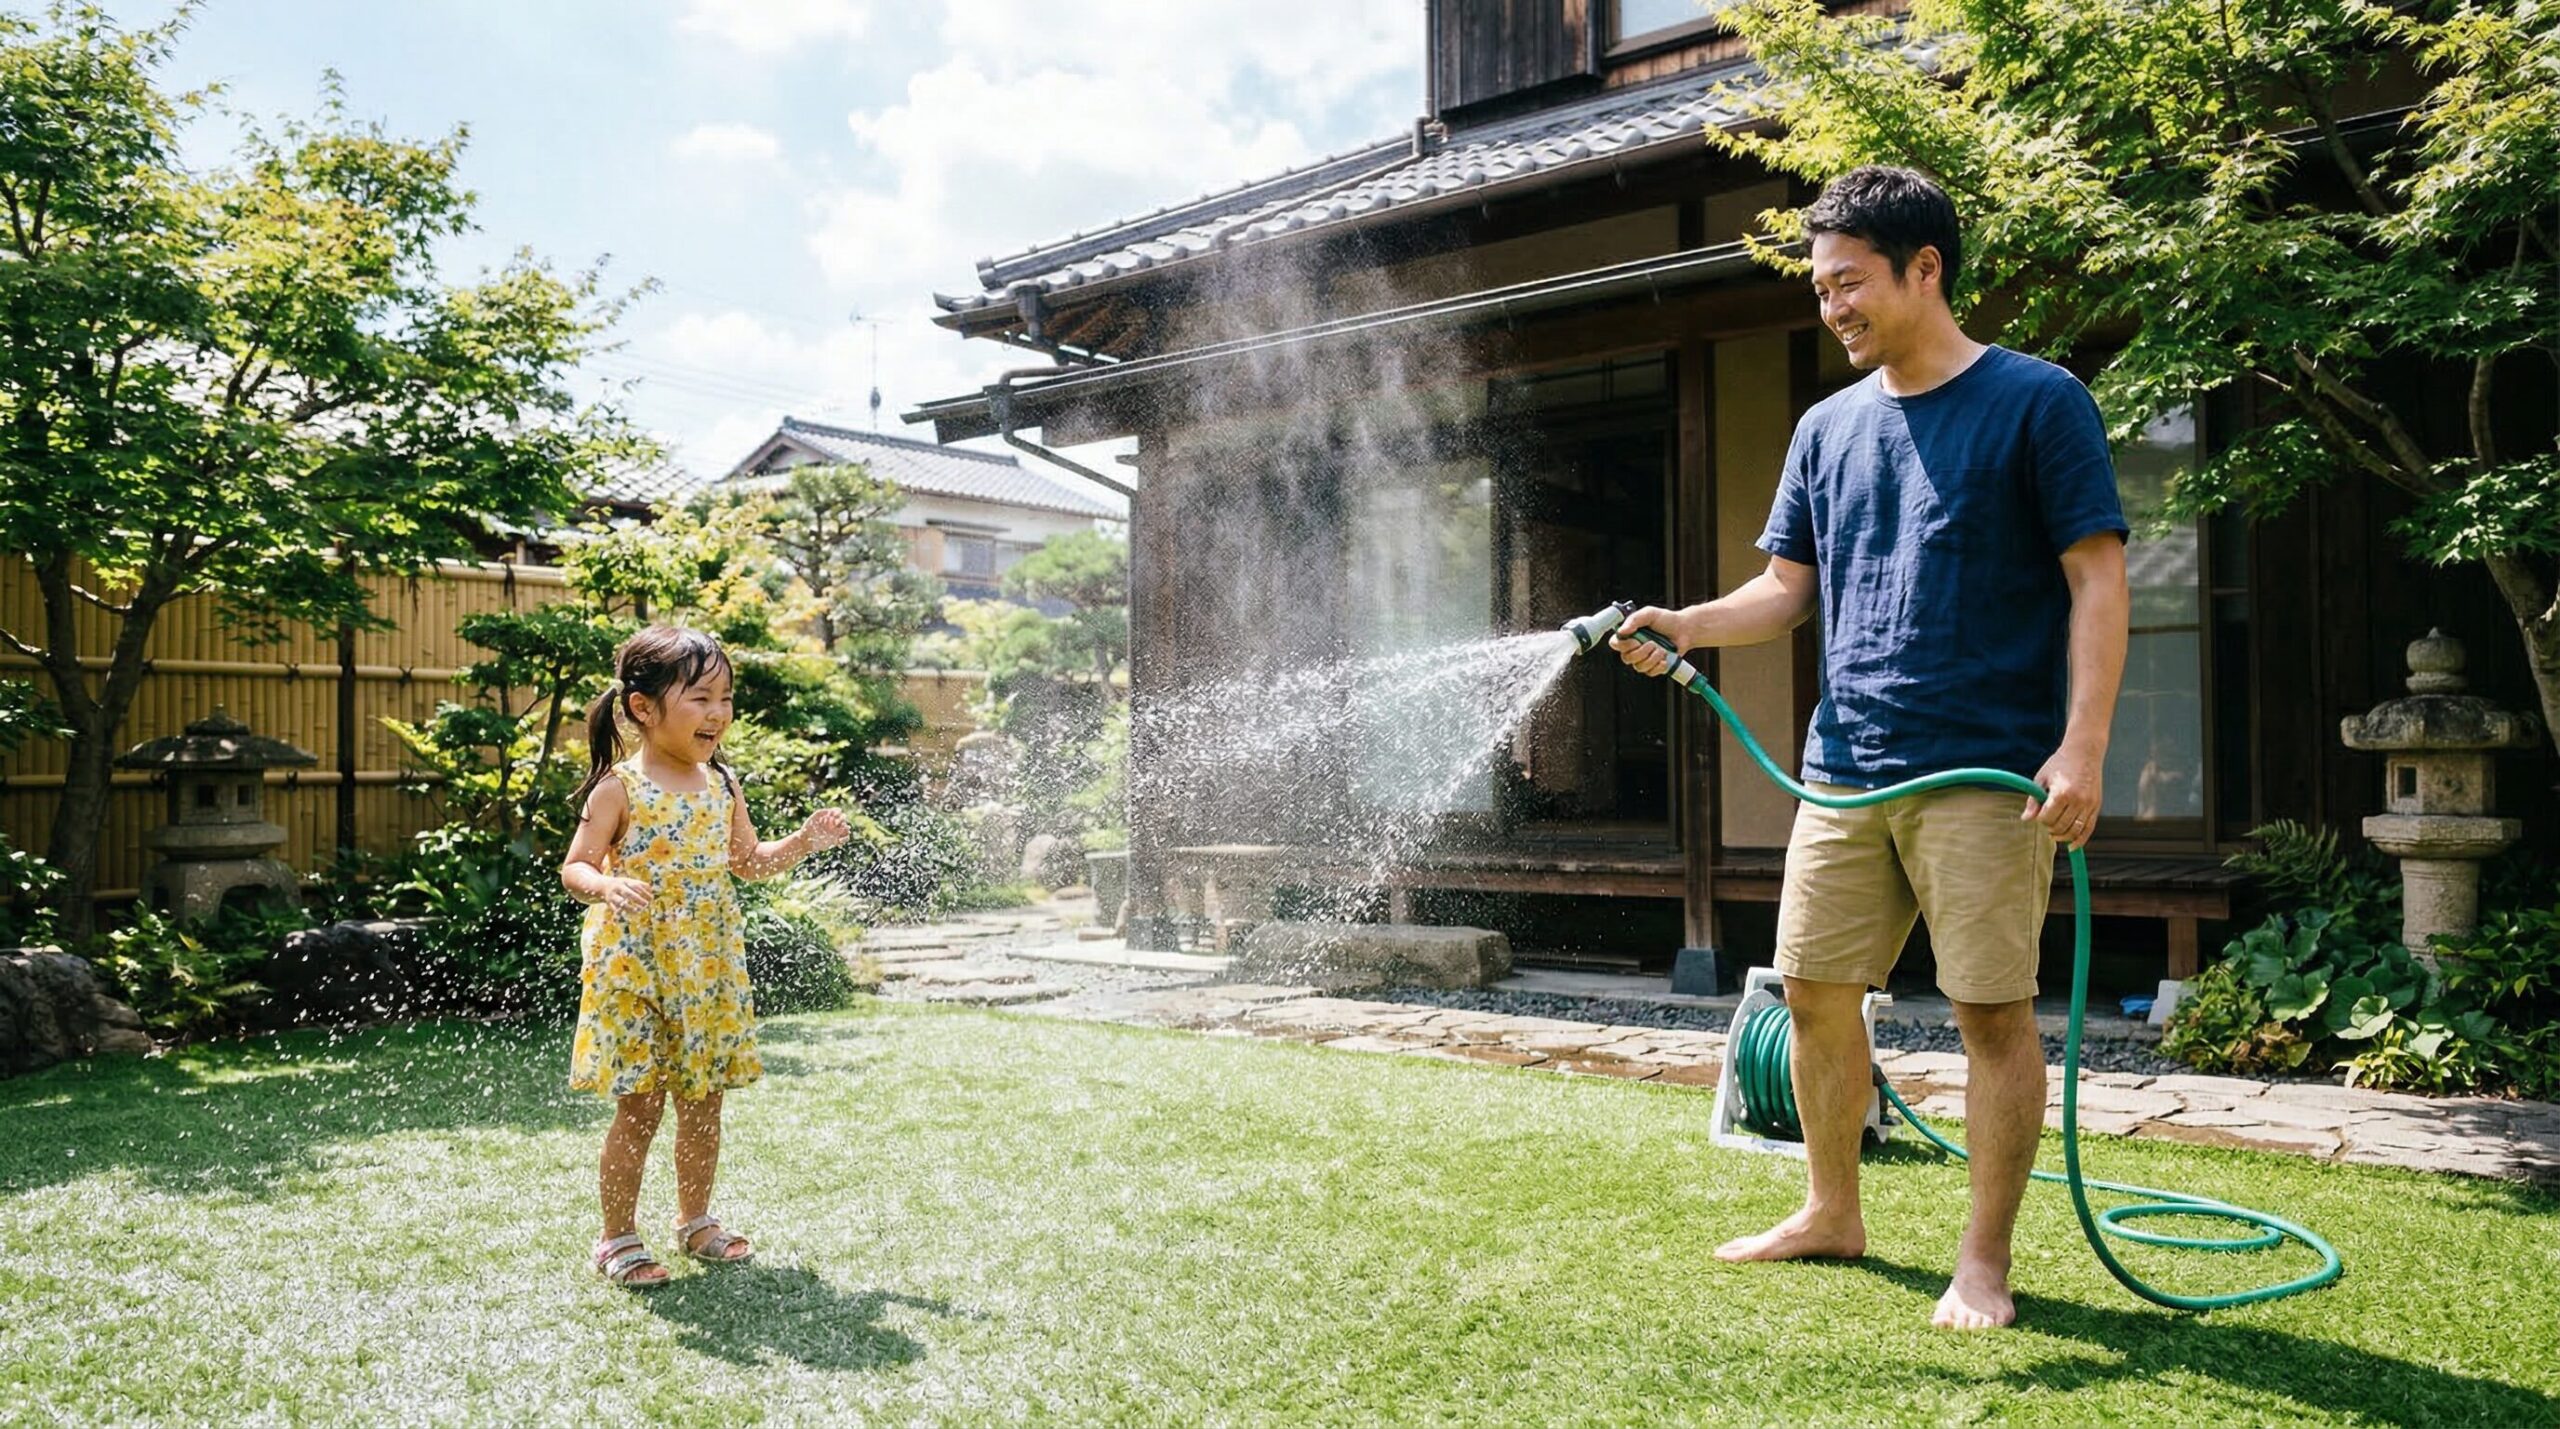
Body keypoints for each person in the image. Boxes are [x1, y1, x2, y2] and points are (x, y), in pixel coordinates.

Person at [1612, 165, 2129, 1330]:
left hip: (1987, 771)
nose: (1831, 306)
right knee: (1810, 987)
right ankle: (1830, 1209)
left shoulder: (2037, 402)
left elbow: (2096, 580)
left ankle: (1981, 1262)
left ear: (1923, 270)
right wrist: (1687, 623)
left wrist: (2081, 748)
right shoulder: (1824, 427)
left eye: (1848, 283)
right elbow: (1786, 587)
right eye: (1820, 289)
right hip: (1845, 762)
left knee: (1989, 1012)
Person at [559, 625, 853, 1289]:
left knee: (704, 1103)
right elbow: (574, 866)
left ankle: (694, 1219)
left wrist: (804, 840)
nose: (718, 712)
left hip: (706, 969)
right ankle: (616, 1236)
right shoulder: (620, 789)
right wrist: (606, 883)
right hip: (636, 969)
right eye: (700, 697)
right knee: (639, 1107)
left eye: (726, 698)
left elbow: (747, 863)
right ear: (643, 707)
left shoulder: (721, 783)